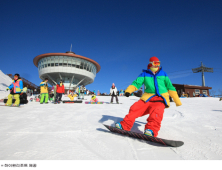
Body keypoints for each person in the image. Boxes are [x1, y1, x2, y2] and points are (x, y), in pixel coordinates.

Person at [115, 56, 182, 137]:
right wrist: (129, 90)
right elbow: (136, 83)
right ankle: (125, 125)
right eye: (155, 63)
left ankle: (151, 130)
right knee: (135, 108)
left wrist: (177, 100)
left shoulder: (163, 74)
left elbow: (170, 87)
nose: (157, 65)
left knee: (156, 113)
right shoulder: (144, 74)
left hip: (160, 98)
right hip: (147, 98)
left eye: (159, 63)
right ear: (151, 64)